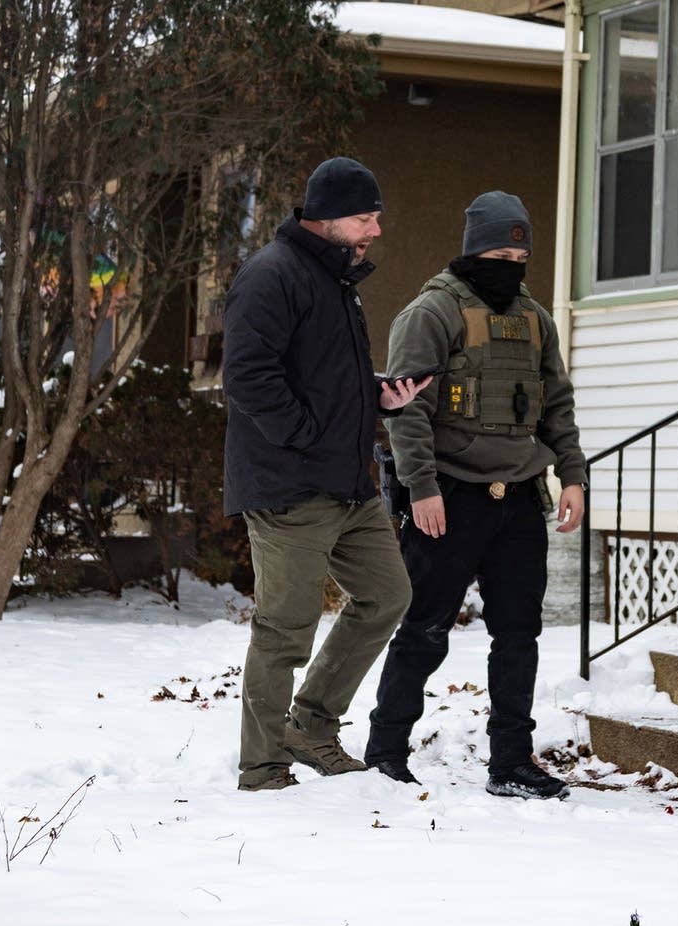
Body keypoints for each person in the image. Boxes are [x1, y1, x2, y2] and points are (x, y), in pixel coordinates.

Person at [362, 191, 588, 799]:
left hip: (519, 500)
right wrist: (421, 488)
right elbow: (407, 411)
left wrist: (572, 474)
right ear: (472, 251)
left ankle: (510, 762)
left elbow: (556, 403)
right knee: (424, 629)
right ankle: (385, 754)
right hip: (449, 497)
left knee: (518, 636)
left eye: (520, 256)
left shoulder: (535, 320)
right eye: (498, 254)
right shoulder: (431, 312)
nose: (510, 265)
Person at [222, 156, 429, 793]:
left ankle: (310, 725)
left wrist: (377, 396)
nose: (376, 231)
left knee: (387, 595)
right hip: (290, 487)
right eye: (366, 218)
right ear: (329, 217)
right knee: (285, 629)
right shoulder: (272, 274)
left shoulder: (336, 279)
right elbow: (248, 378)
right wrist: (308, 436)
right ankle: (263, 767)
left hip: (347, 484)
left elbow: (324, 377)